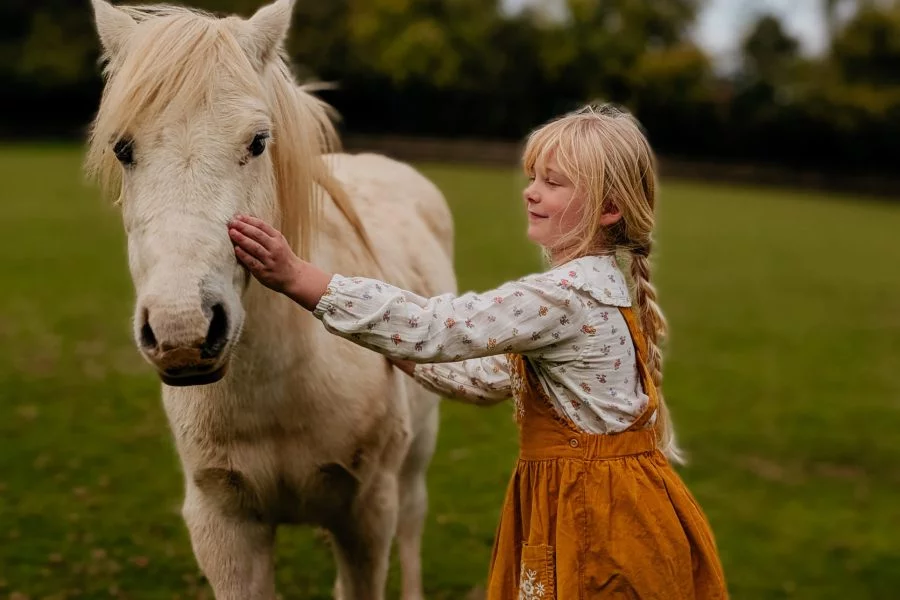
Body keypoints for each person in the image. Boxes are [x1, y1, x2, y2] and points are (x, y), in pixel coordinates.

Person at [227, 104, 728, 599]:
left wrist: (300, 277)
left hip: (593, 519)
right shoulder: (601, 289)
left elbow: (434, 326)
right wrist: (394, 350)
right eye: (534, 177)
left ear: (608, 209)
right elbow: (486, 378)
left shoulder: (564, 296)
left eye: (554, 183)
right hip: (624, 508)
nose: (531, 191)